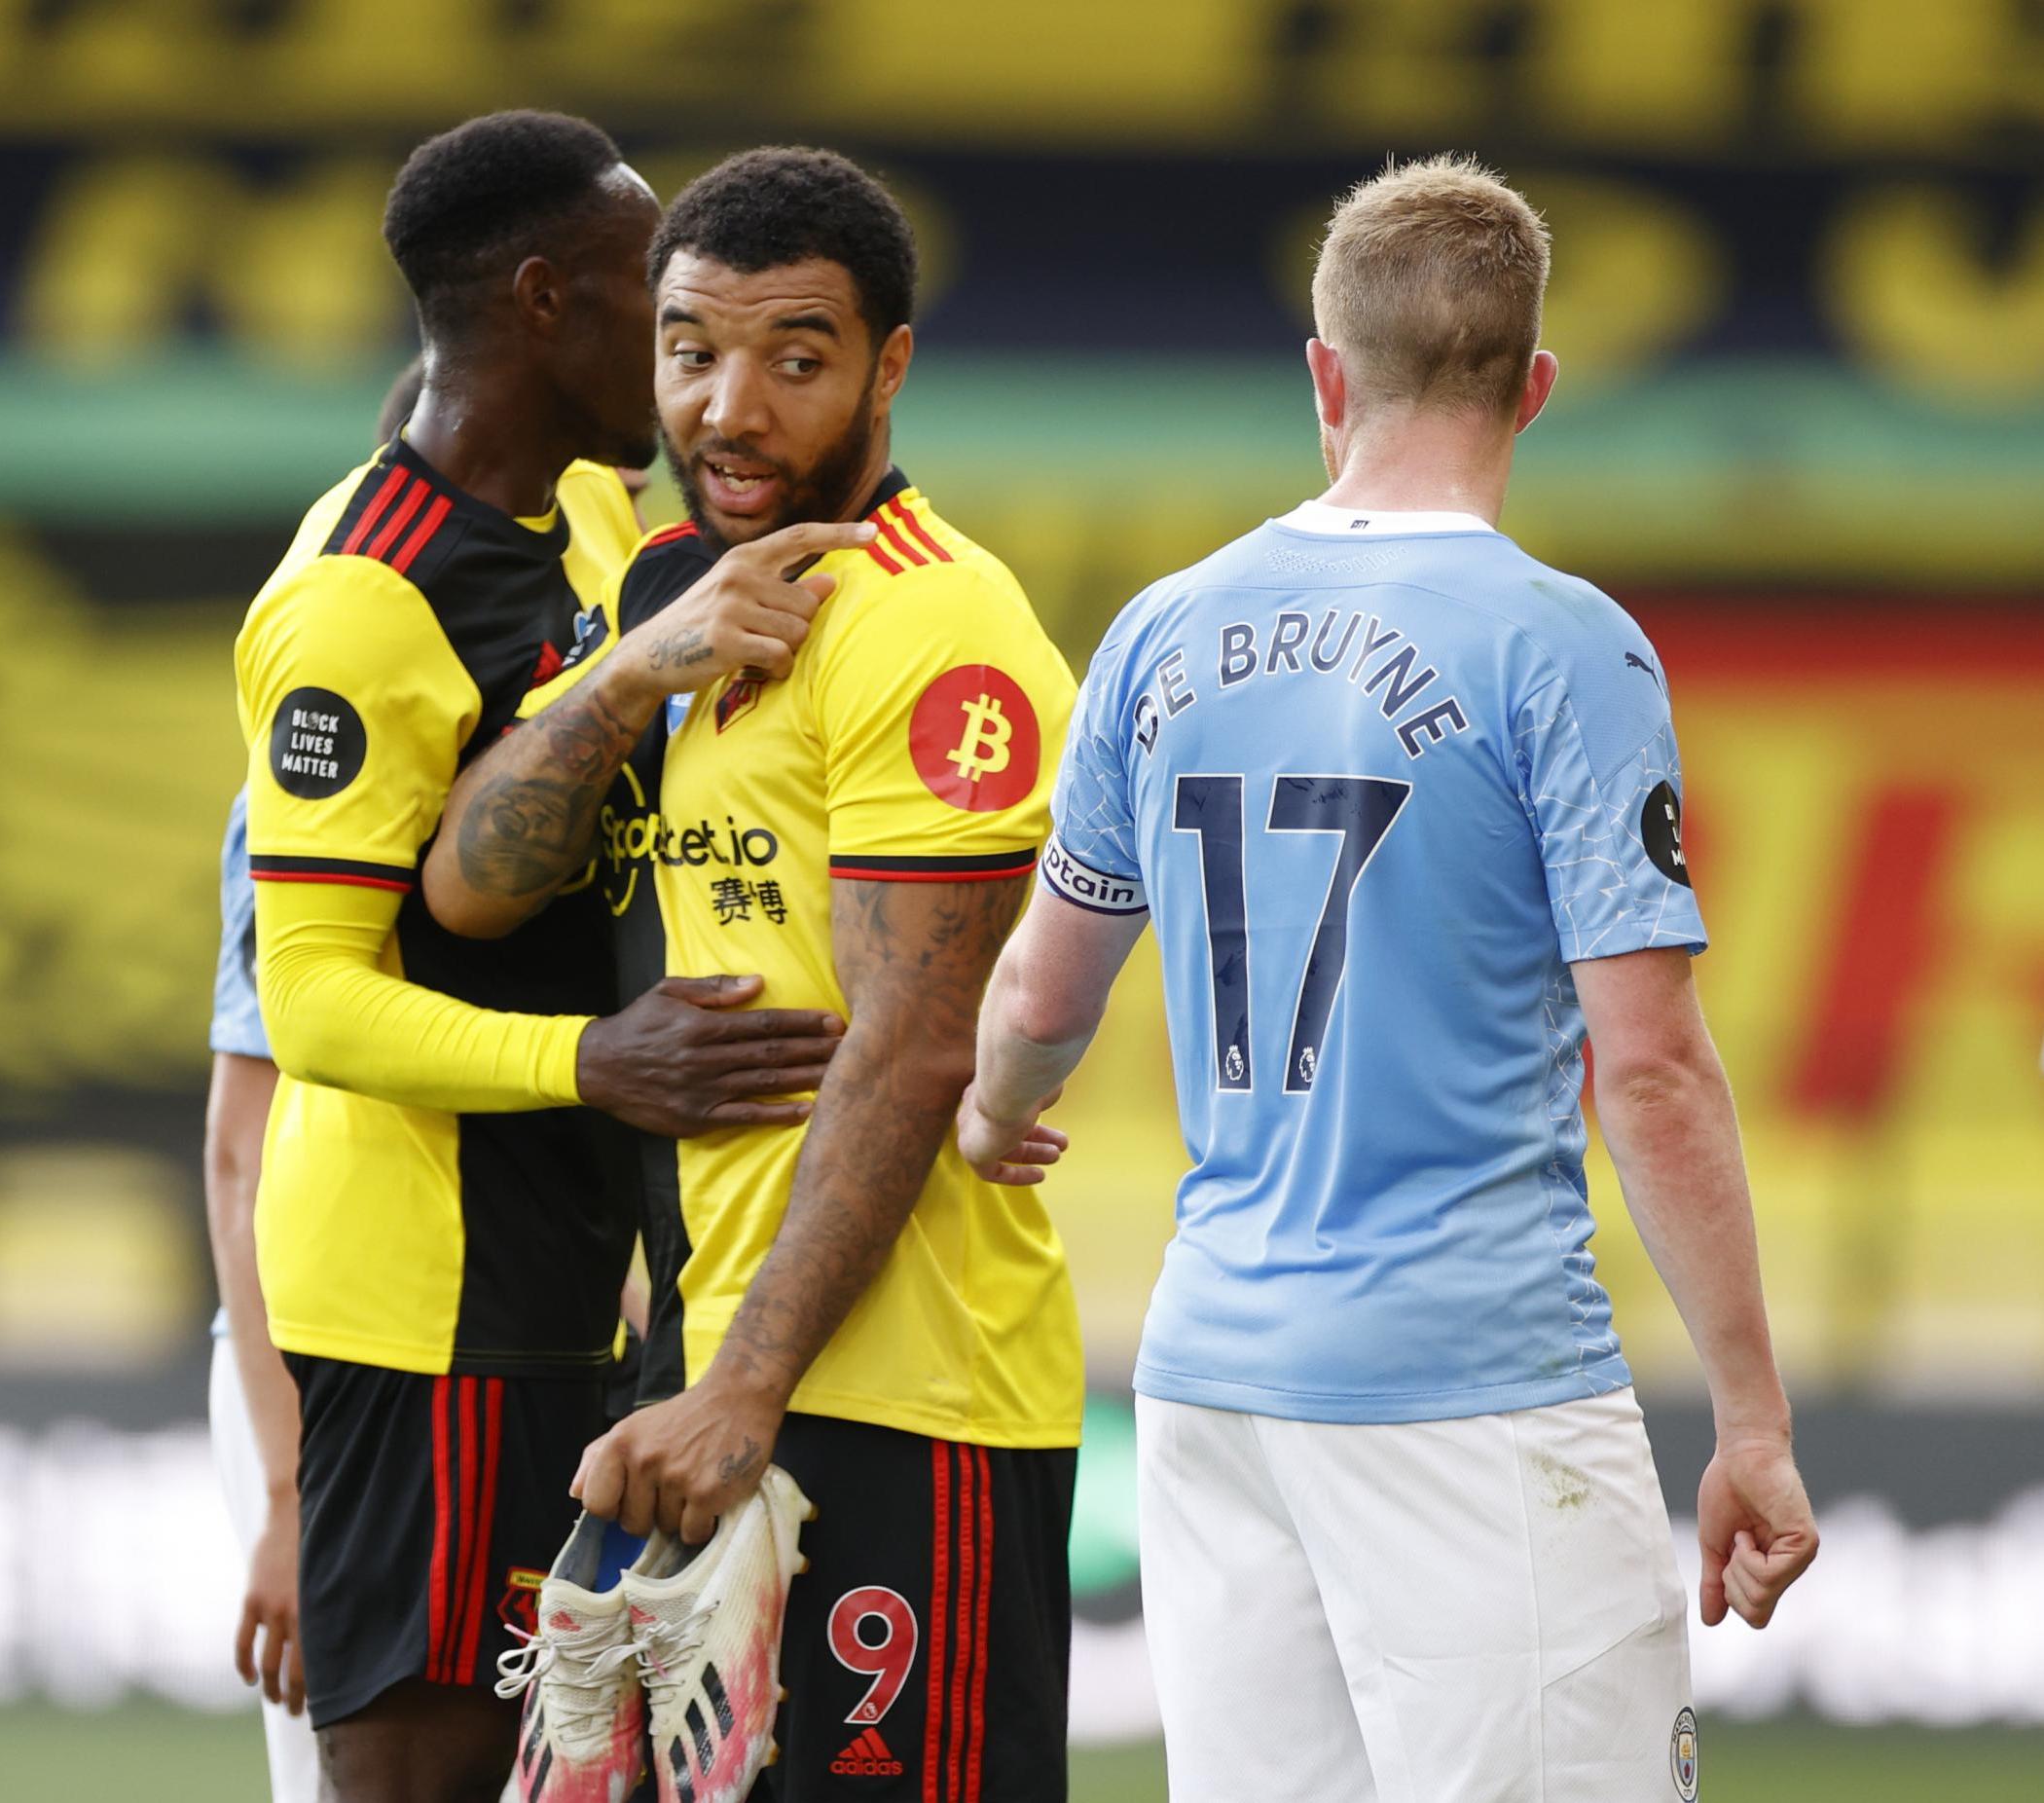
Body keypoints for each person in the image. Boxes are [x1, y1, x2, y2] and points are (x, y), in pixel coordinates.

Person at [958, 155, 1819, 1803]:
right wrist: (1753, 1420)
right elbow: (1645, 1067)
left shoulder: (1158, 628)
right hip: (1468, 1385)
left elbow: (1033, 1005)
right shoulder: (1561, 642)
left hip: (1213, 1384)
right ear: (1534, 387)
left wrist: (997, 1123)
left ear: (1323, 377)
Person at [425, 147, 1080, 1802]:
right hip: (698, 1374)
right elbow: (469, 889)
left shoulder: (940, 632)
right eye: (689, 349)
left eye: (795, 357)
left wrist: (743, 1392)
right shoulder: (667, 600)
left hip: (892, 1396)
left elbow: (914, 1050)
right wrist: (634, 671)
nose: (729, 406)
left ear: (889, 368)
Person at [233, 114, 845, 1803]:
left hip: (564, 1281)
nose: (683, 333)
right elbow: (312, 997)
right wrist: (593, 1059)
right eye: (653, 288)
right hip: (423, 1302)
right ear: (539, 298)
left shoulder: (587, 524)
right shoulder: (358, 600)